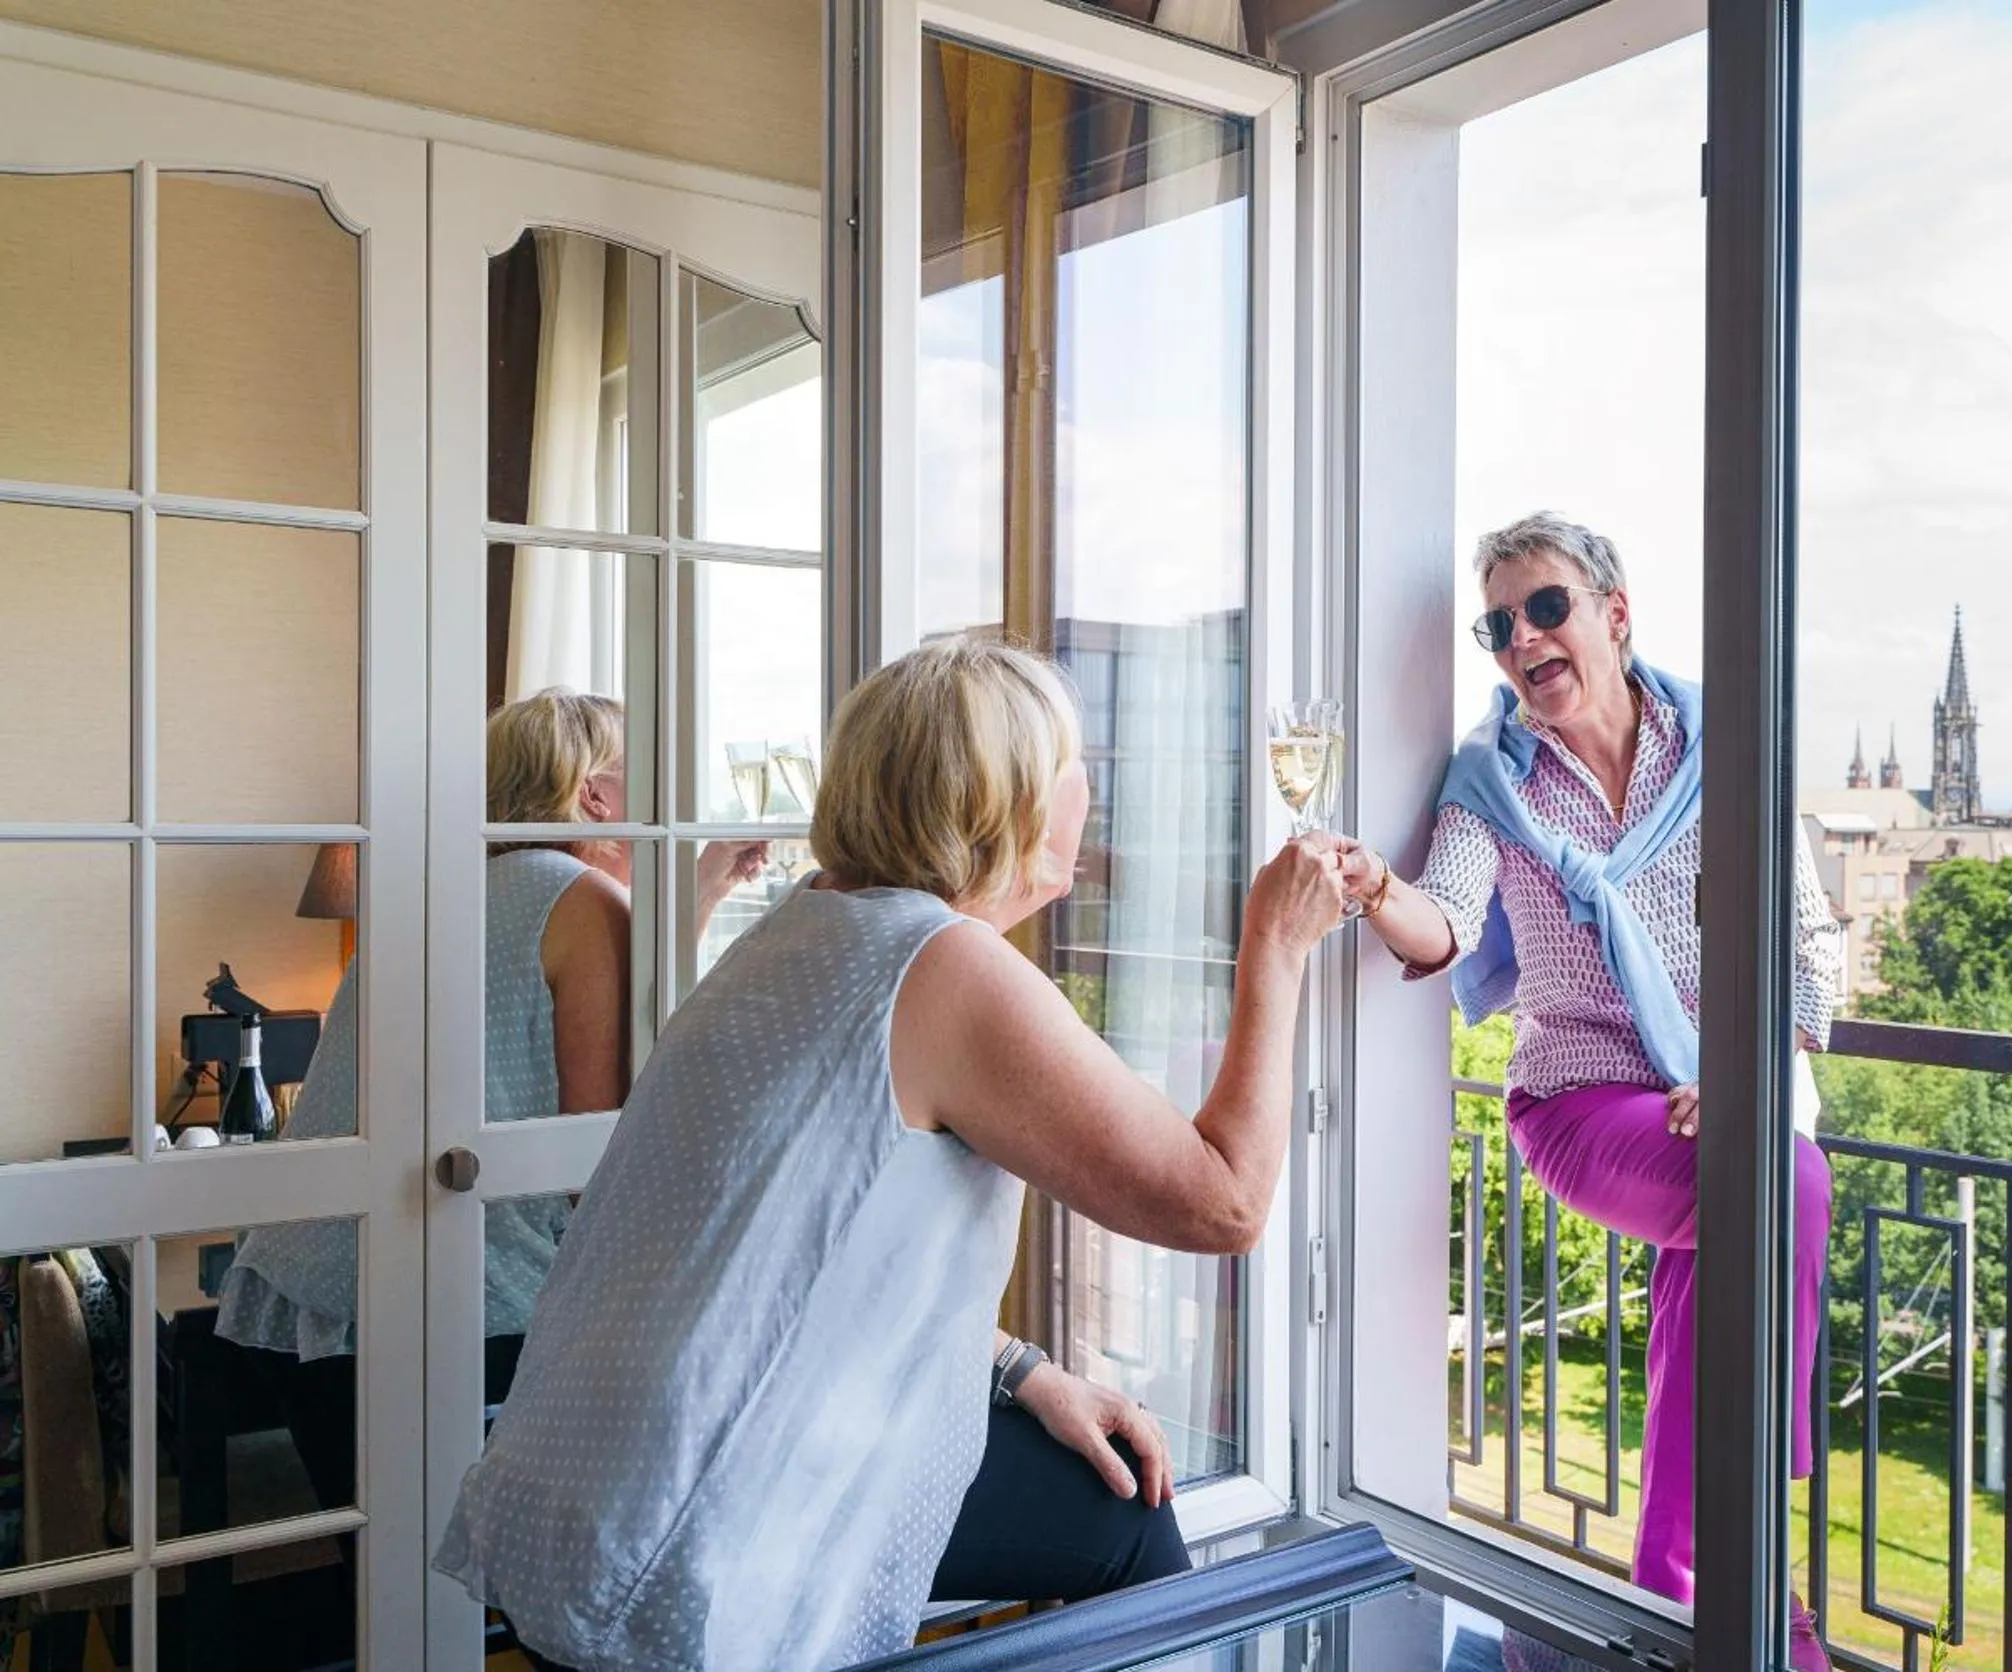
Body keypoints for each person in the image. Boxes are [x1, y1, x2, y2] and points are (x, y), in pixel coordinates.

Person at [433, 637, 1352, 1672]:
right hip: (689, 1544)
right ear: (1004, 796)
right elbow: (1223, 1203)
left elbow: (801, 1258)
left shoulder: (798, 933)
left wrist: (1018, 1369)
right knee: (1124, 1514)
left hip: (583, 1504)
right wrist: (1276, 944)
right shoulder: (943, 964)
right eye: (1070, 759)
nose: (1086, 785)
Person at [1344, 513, 1844, 1670]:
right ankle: (1747, 1566)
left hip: (1717, 1098)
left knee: (1723, 1255)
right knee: (1791, 1185)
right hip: (1577, 1102)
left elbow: (1808, 947)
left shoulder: (1725, 747)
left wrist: (1746, 1073)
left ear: (1615, 615)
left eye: (1546, 607)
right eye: (1499, 623)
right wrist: (1377, 887)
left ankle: (1687, 1579)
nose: (1522, 637)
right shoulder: (1493, 782)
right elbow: (1448, 919)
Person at [216, 689, 767, 1507]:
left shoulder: (430, 897)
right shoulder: (587, 904)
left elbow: (586, 1014)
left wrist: (697, 897)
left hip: (314, 1295)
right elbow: (596, 1151)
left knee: (403, 1586)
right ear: (594, 795)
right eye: (649, 780)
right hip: (461, 1307)